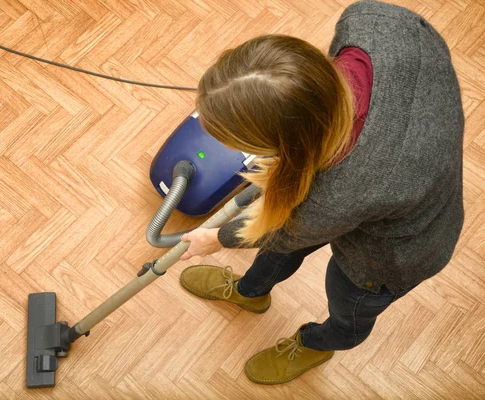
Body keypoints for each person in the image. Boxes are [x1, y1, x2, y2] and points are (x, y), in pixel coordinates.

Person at [178, 0, 464, 385]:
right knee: (280, 249)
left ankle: (314, 344)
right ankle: (250, 292)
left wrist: (216, 239)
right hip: (400, 171)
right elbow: (289, 229)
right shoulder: (373, 22)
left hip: (395, 252)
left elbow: (288, 228)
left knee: (349, 310)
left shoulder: (337, 194)